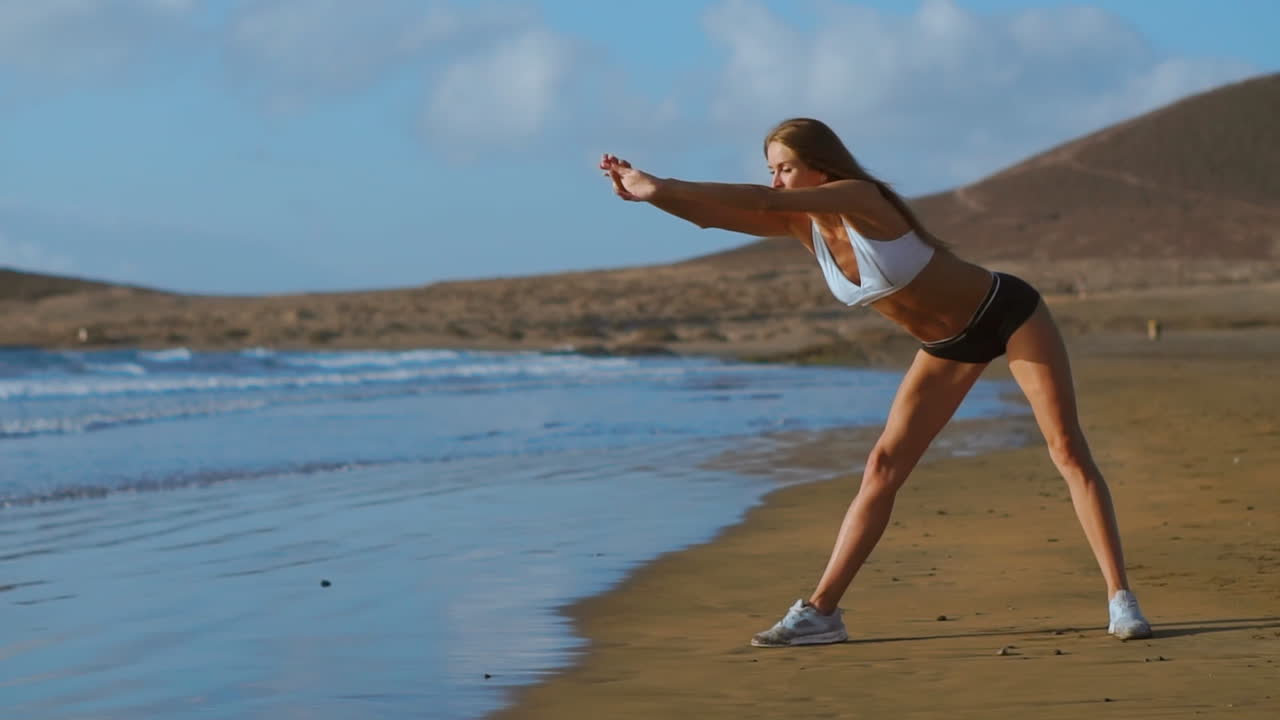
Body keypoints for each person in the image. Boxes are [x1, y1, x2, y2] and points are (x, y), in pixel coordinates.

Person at [599, 117, 1153, 647]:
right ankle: (821, 613)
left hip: (1007, 313)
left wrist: (662, 180)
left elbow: (758, 198)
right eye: (771, 170)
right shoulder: (804, 225)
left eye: (785, 168)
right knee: (882, 466)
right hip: (946, 347)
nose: (775, 181)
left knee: (1065, 449)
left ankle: (1120, 599)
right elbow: (711, 216)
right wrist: (649, 195)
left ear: (820, 167)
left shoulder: (863, 198)